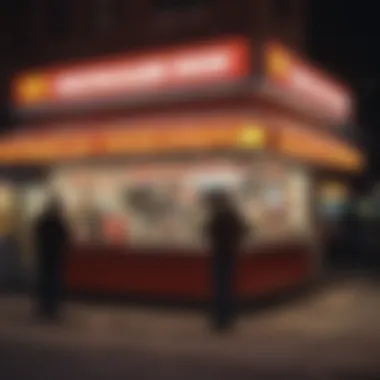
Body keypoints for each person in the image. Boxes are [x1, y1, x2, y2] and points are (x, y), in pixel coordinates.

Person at [204, 190, 247, 331]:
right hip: (230, 254)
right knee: (228, 286)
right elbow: (244, 230)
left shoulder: (215, 217)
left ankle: (219, 318)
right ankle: (228, 318)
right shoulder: (232, 216)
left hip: (218, 254)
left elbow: (207, 232)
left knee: (219, 287)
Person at [34, 196, 70, 321]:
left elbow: (37, 236)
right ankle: (52, 306)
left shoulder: (43, 222)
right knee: (53, 281)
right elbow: (65, 239)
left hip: (44, 256)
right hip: (55, 257)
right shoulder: (59, 223)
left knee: (44, 280)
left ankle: (44, 305)